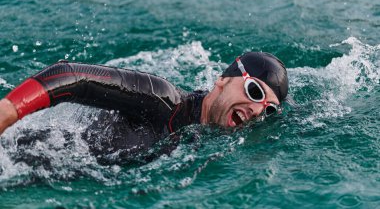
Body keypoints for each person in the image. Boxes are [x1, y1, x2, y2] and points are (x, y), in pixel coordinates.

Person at [0, 52, 288, 162]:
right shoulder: (164, 101)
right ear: (223, 80)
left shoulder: (210, 138)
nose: (257, 110)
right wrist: (8, 111)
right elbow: (71, 75)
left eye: (269, 110)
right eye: (254, 92)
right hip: (23, 160)